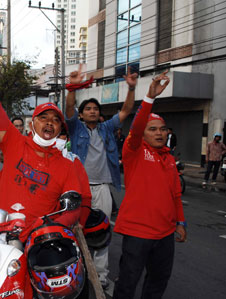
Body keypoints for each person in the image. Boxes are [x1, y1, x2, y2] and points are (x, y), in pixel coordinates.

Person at [0, 35, 91, 236]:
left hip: (38, 244)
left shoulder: (68, 166)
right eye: (43, 117)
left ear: (60, 129)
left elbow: (74, 207)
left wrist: (53, 229)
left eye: (56, 120)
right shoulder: (14, 142)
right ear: (32, 124)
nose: (49, 122)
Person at [113, 71, 187, 299]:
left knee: (158, 282)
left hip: (165, 234)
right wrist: (149, 97)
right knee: (128, 282)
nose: (159, 133)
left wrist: (180, 222)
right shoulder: (134, 150)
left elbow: (175, 194)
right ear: (143, 134)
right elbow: (135, 128)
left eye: (162, 129)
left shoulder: (168, 158)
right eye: (152, 129)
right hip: (137, 233)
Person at [65, 65, 137, 289]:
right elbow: (68, 109)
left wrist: (131, 89)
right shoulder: (75, 128)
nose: (93, 111)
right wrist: (73, 87)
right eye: (88, 109)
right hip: (78, 191)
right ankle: (77, 272)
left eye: (96, 108)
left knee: (103, 233)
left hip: (102, 188)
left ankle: (101, 277)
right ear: (82, 113)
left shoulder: (106, 128)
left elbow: (125, 111)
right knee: (75, 232)